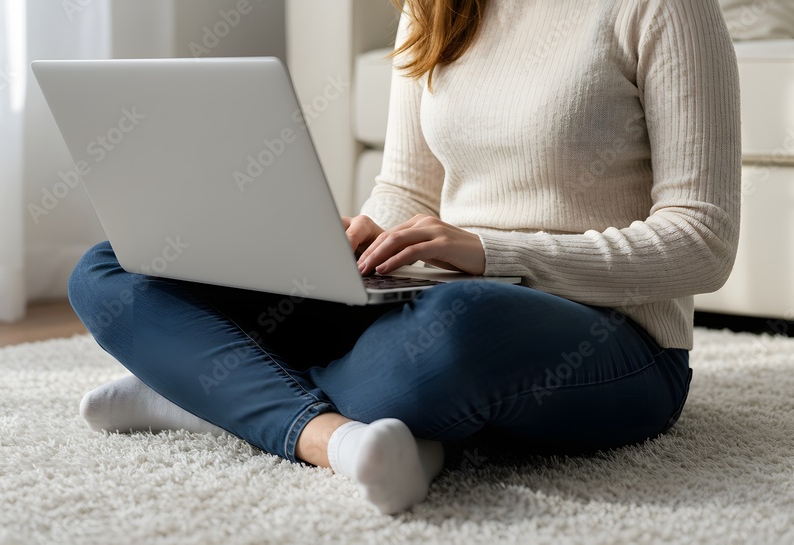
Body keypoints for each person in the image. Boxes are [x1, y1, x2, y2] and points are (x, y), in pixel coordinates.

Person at [68, 0, 740, 515]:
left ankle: (199, 389)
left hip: (606, 335)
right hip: (426, 294)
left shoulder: (665, 10)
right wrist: (344, 244)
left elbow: (703, 241)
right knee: (113, 267)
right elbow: (405, 189)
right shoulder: (436, 6)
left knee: (451, 331)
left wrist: (489, 252)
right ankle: (331, 433)